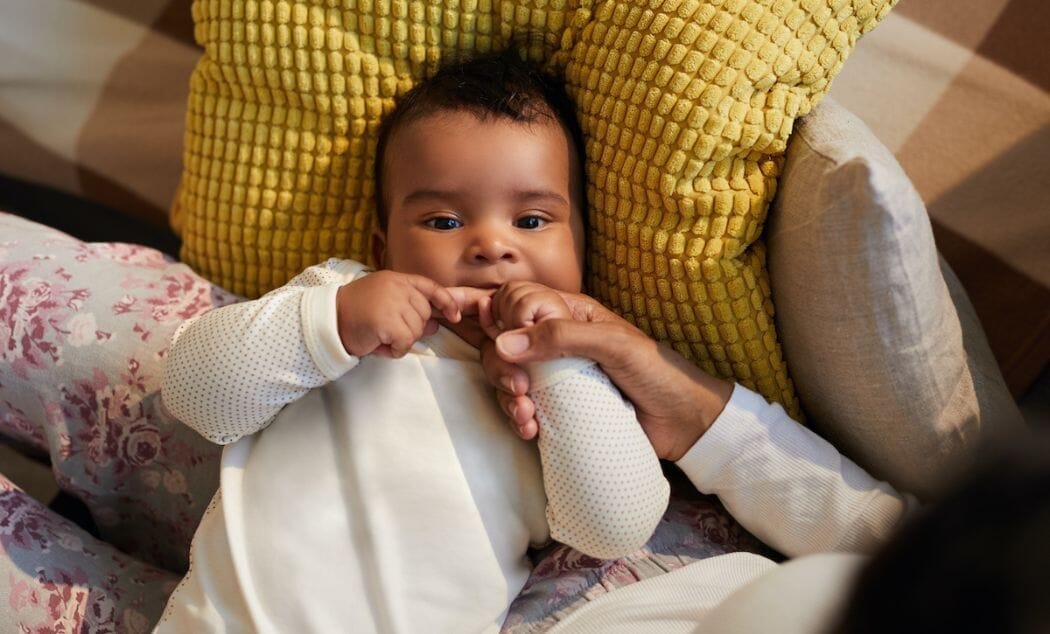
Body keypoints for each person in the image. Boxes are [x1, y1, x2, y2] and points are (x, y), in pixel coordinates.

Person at [155, 51, 671, 633]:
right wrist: (334, 322)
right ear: (384, 251)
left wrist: (554, 360)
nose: (490, 246)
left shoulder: (576, 385)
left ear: (582, 248)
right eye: (444, 222)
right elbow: (192, 391)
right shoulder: (340, 296)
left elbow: (615, 527)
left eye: (530, 221)